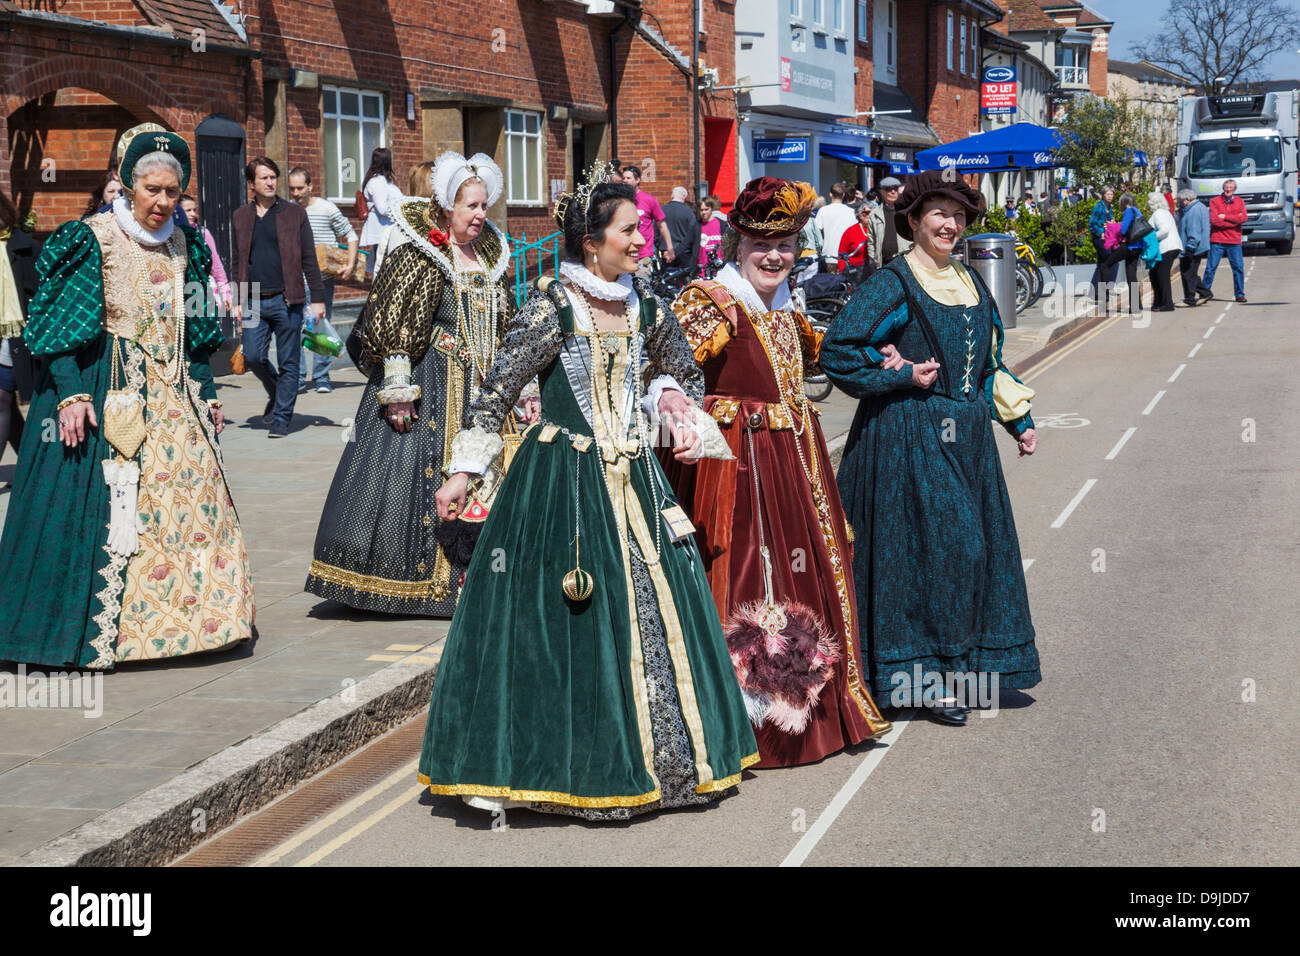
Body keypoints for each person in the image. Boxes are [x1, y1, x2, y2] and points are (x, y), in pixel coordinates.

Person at [418, 166, 758, 818]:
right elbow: (494, 393)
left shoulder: (646, 304)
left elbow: (680, 370)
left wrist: (673, 410)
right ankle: (534, 766)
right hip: (563, 486)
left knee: (660, 620)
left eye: (642, 228)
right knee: (553, 630)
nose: (642, 240)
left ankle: (666, 765)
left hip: (637, 480)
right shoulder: (552, 307)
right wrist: (464, 472)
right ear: (591, 241)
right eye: (630, 230)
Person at [0, 123, 254, 670]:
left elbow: (196, 335)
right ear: (127, 184)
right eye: (152, 190)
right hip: (107, 390)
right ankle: (87, 635)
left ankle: (200, 624)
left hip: (174, 399)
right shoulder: (90, 238)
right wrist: (69, 396)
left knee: (195, 505)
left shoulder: (187, 245)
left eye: (173, 192)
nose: (163, 202)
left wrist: (207, 394)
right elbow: (57, 327)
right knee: (101, 511)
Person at [663, 177, 892, 765]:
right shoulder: (710, 302)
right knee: (745, 580)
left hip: (796, 469)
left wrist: (889, 361)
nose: (773, 256)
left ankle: (806, 714)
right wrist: (685, 421)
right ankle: (743, 726)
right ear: (737, 243)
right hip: (735, 472)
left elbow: (831, 357)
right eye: (761, 243)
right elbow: (664, 373)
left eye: (785, 244)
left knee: (803, 575)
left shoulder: (789, 311)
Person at [820, 169, 1040, 726]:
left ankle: (960, 666)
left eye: (959, 215)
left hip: (967, 441)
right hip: (908, 435)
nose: (951, 224)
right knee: (948, 549)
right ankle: (928, 677)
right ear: (913, 221)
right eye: (939, 214)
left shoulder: (969, 281)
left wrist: (1020, 421)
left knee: (971, 552)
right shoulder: (893, 283)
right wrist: (898, 374)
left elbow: (989, 366)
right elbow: (839, 349)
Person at [305, 152, 516, 615]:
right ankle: (407, 585)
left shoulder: (491, 257)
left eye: (484, 206)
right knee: (410, 481)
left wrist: (523, 387)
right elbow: (391, 321)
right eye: (471, 207)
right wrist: (398, 390)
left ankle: (476, 575)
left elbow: (507, 325)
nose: (480, 215)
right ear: (446, 208)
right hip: (430, 383)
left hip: (481, 389)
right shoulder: (418, 254)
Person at [231, 157, 326, 437]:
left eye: (273, 177)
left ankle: (282, 416)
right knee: (252, 355)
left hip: (287, 300)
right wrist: (238, 299)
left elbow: (309, 258)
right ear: (251, 184)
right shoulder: (241, 216)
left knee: (289, 361)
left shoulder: (294, 214)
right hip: (253, 300)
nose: (271, 182)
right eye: (264, 178)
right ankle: (276, 391)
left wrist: (318, 299)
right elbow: (238, 260)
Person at [288, 166, 358, 394]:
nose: (296, 193)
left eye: (300, 188)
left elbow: (351, 235)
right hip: (295, 278)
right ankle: (297, 377)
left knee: (319, 326)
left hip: (322, 279)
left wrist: (350, 263)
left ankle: (321, 377)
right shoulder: (288, 210)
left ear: (310, 186)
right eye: (292, 189)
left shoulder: (326, 209)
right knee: (295, 327)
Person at [0, 190, 36, 468]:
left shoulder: (26, 248)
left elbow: (43, 292)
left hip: (14, 337)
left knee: (3, 398)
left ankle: (32, 462)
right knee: (5, 404)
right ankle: (32, 463)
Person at [179, 195, 232, 315]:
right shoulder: (171, 234)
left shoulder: (203, 233)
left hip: (203, 291)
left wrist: (225, 293)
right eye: (188, 211)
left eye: (194, 210)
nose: (193, 214)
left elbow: (216, 265)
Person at [622, 164, 673, 278]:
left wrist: (669, 247)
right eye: (623, 178)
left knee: (642, 287)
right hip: (623, 255)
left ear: (637, 180)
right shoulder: (621, 200)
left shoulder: (648, 200)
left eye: (628, 178)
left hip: (642, 255)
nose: (625, 181)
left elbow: (662, 225)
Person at [1097, 193, 1145, 315]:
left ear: (1123, 202)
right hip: (1138, 247)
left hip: (1128, 246)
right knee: (1131, 276)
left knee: (1105, 265)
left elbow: (1123, 230)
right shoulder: (1137, 210)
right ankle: (1136, 306)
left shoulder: (1128, 211)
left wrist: (1112, 226)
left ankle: (1103, 297)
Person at [359, 147, 403, 279]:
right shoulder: (378, 181)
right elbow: (382, 208)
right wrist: (402, 210)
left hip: (387, 230)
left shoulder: (383, 181)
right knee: (383, 272)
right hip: (382, 231)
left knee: (385, 270)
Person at [1203, 178, 1248, 303]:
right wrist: (1235, 221)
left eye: (1231, 188)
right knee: (1210, 268)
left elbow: (1244, 218)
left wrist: (1226, 217)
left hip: (1234, 241)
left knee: (1238, 268)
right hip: (1217, 240)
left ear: (1234, 189)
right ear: (1223, 188)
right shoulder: (1214, 201)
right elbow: (1214, 221)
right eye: (1226, 187)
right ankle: (1204, 293)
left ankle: (1239, 294)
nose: (1228, 190)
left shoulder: (1240, 202)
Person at [1146, 190, 1183, 312]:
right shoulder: (1164, 213)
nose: (1147, 204)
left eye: (1149, 202)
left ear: (1154, 203)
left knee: (1162, 276)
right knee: (1154, 274)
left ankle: (1167, 304)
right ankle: (1159, 302)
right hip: (1171, 247)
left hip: (1167, 248)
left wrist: (1151, 238)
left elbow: (1164, 230)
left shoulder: (1159, 214)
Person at [1177, 189, 1213, 305]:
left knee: (1188, 273)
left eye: (1181, 201)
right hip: (1198, 246)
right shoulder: (1200, 207)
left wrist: (1190, 247)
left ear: (1187, 200)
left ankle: (1190, 298)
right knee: (1191, 273)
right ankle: (1205, 293)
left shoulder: (1193, 211)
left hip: (1193, 247)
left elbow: (1194, 231)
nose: (1180, 203)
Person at [867, 176, 910, 269]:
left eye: (895, 188)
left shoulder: (906, 211)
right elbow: (871, 241)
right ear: (882, 192)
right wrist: (873, 259)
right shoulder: (874, 214)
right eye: (888, 189)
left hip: (904, 260)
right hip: (883, 263)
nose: (893, 191)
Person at [814, 181, 855, 270]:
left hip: (828, 254)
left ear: (830, 194)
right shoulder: (851, 212)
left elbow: (816, 231)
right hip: (845, 256)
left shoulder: (823, 210)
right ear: (843, 194)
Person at [662, 185, 701, 272]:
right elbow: (692, 234)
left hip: (666, 254)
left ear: (672, 196)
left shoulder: (661, 211)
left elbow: (656, 232)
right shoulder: (688, 212)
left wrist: (663, 249)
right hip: (684, 254)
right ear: (684, 198)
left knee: (667, 281)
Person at [1088, 186, 1116, 301]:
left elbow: (1109, 221)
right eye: (1108, 194)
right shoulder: (1099, 207)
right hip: (1099, 239)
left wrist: (1112, 223)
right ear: (1103, 195)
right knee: (1108, 261)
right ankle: (1104, 292)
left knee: (1102, 264)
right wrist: (1100, 232)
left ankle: (1097, 293)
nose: (1110, 196)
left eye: (1112, 194)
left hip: (1107, 238)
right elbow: (1091, 225)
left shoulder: (1110, 207)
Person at [839, 200, 873, 274]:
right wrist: (844, 273)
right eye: (867, 213)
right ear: (859, 215)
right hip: (855, 274)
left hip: (873, 272)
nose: (870, 215)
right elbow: (841, 255)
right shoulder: (850, 231)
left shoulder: (877, 230)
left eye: (872, 212)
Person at [698, 194, 725, 273]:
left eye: (706, 209)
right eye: (701, 210)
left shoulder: (721, 223)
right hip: (703, 268)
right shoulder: (697, 225)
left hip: (719, 267)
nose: (703, 212)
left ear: (711, 209)